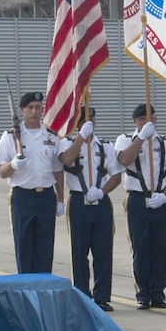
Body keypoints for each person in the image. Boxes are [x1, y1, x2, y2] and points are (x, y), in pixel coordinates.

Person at [113, 104, 166, 309]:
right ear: (135, 121)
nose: (145, 122)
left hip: (160, 198)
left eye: (148, 118)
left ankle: (158, 292)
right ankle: (143, 293)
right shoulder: (125, 139)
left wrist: (165, 195)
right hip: (137, 199)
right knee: (140, 246)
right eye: (141, 119)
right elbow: (124, 160)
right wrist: (141, 137)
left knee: (161, 247)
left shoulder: (165, 143)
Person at [0, 91, 66, 274]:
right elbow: (2, 171)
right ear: (22, 110)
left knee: (45, 247)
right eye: (30, 108)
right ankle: (25, 289)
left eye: (38, 107)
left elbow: (57, 170)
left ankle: (42, 288)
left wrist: (60, 200)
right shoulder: (10, 136)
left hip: (46, 197)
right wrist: (13, 165)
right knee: (24, 246)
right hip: (23, 196)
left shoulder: (50, 136)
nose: (35, 111)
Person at [59, 107, 121, 309]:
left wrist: (102, 192)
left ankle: (102, 297)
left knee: (103, 251)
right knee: (79, 251)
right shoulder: (67, 143)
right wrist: (80, 137)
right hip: (78, 201)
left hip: (100, 201)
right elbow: (67, 160)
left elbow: (116, 175)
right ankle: (82, 296)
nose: (89, 124)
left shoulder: (105, 147)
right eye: (84, 121)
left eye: (91, 120)